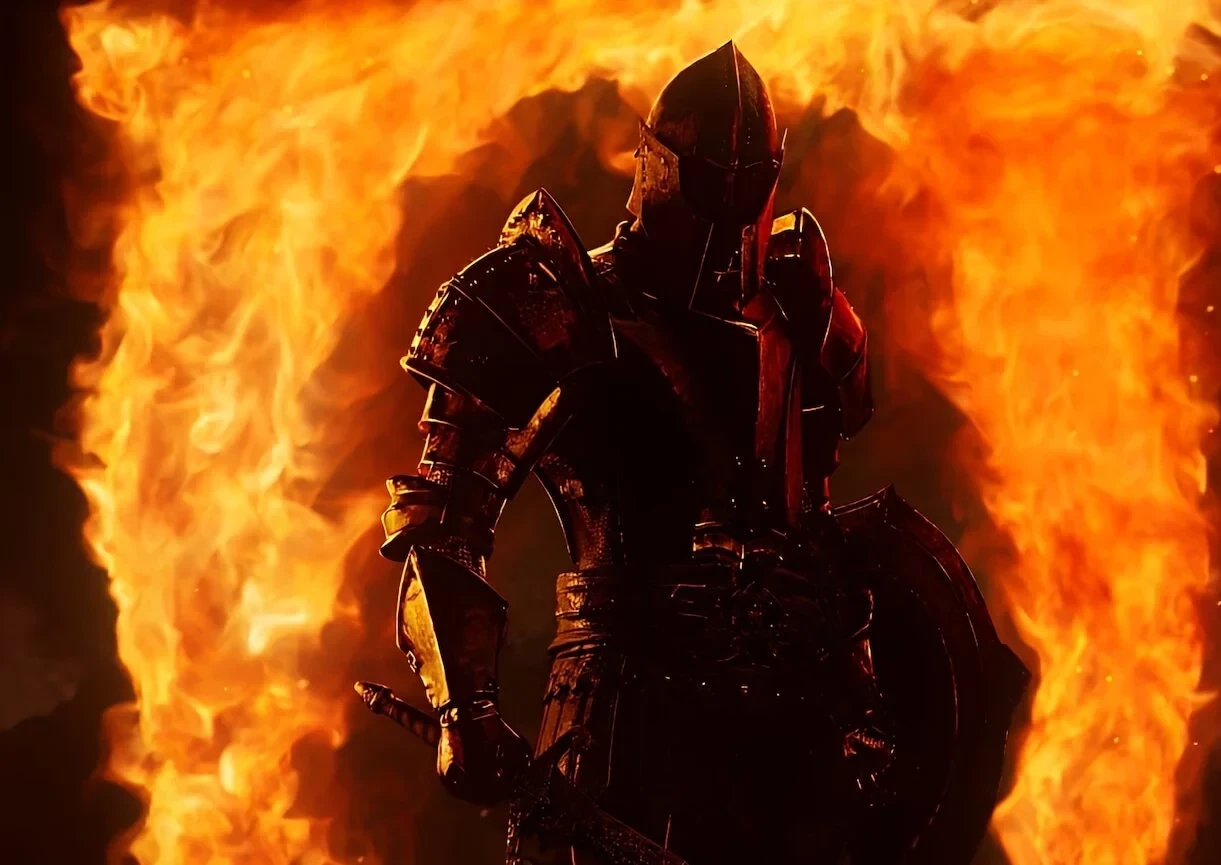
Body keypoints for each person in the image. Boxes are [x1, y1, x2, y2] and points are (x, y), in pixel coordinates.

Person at [371, 41, 1026, 865]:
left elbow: (819, 545)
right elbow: (441, 517)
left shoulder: (802, 316)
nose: (725, 204)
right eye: (709, 176)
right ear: (656, 166)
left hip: (788, 746)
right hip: (618, 720)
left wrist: (858, 698)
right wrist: (466, 711)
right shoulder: (555, 298)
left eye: (745, 180)